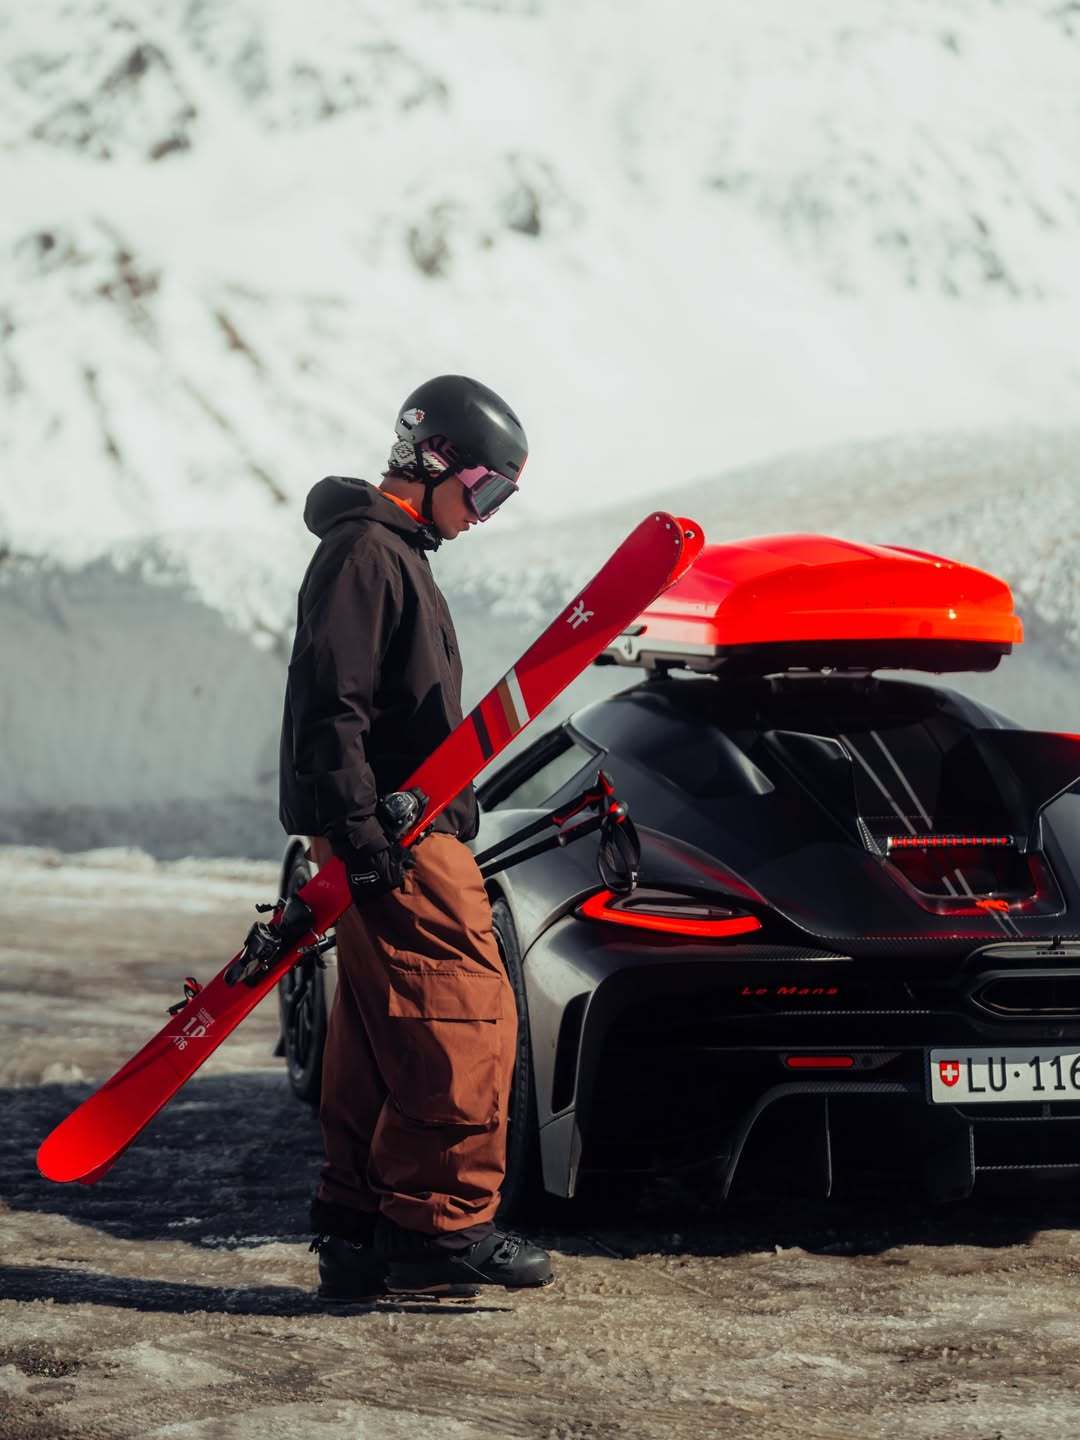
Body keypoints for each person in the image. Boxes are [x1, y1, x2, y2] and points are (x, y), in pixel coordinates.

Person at [279, 375, 552, 1299]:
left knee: (378, 1031)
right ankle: (440, 1229)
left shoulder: (391, 553)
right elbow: (333, 707)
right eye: (486, 491)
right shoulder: (368, 554)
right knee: (463, 1019)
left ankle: (361, 1225)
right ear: (436, 463)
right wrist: (361, 835)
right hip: (395, 835)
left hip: (394, 826)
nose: (485, 514)